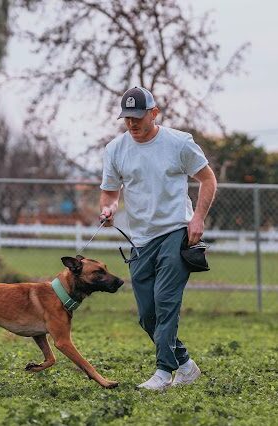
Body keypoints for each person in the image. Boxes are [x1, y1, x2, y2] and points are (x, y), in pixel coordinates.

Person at [99, 86, 217, 391]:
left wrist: (198, 218)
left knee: (165, 303)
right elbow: (111, 192)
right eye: (127, 118)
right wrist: (109, 208)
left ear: (154, 113)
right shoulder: (115, 149)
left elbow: (207, 179)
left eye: (138, 117)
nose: (132, 124)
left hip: (176, 232)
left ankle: (164, 372)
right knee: (147, 316)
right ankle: (186, 365)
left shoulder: (179, 143)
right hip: (140, 240)